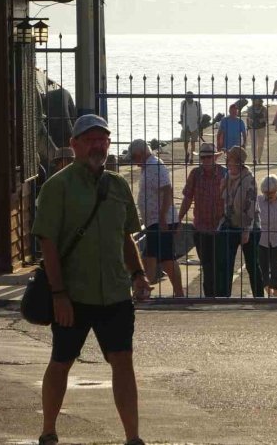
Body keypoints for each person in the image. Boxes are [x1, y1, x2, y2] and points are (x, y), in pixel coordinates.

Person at [32, 114, 150, 445]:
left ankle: (133, 438)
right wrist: (58, 294)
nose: (98, 145)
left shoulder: (118, 185)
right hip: (74, 294)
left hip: (114, 292)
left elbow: (126, 237)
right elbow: (48, 244)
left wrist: (138, 274)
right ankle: (48, 431)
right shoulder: (58, 187)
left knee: (123, 362)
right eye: (90, 139)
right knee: (61, 361)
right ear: (75, 145)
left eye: (103, 139)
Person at [128, 138, 184, 298]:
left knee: (163, 259)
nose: (133, 162)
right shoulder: (149, 166)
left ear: (140, 153)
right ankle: (144, 291)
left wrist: (162, 217)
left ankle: (145, 293)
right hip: (155, 221)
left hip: (160, 221)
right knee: (152, 258)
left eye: (133, 158)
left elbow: (167, 190)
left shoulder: (154, 166)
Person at [178, 142, 227, 297]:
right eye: (203, 157)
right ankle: (210, 297)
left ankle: (221, 295)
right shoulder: (195, 174)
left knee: (220, 264)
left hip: (221, 227)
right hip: (200, 227)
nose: (206, 160)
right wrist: (178, 219)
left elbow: (231, 199)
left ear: (215, 158)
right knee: (206, 265)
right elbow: (187, 198)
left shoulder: (224, 174)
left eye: (209, 157)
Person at [217, 146, 261, 298]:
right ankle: (224, 297)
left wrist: (246, 230)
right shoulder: (228, 177)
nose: (228, 164)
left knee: (252, 264)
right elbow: (224, 200)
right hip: (230, 223)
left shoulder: (249, 179)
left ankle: (259, 297)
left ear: (239, 163)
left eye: (231, 161)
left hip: (248, 225)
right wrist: (222, 187)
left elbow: (250, 205)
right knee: (225, 264)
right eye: (228, 161)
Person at [180, 91, 203, 164]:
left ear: (192, 97)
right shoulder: (183, 103)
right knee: (185, 142)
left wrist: (199, 123)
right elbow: (181, 114)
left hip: (194, 125)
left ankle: (192, 158)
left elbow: (200, 114)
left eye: (188, 96)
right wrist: (182, 123)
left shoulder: (197, 104)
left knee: (193, 142)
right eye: (186, 96)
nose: (187, 98)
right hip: (185, 125)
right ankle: (186, 153)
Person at [246, 97, 268, 164]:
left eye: (257, 99)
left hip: (261, 127)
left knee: (261, 144)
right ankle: (254, 159)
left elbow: (266, 119)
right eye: (254, 99)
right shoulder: (249, 108)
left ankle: (259, 158)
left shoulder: (264, 108)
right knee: (253, 143)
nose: (256, 100)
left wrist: (261, 120)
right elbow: (248, 118)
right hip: (252, 127)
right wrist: (249, 122)